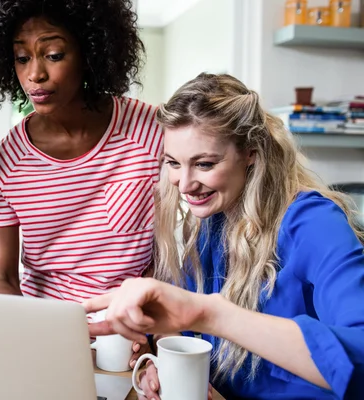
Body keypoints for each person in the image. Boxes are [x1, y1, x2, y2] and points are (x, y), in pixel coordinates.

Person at [85, 73, 364, 399]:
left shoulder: (313, 223)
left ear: (251, 153)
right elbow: (188, 334)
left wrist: (212, 314)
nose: (184, 184)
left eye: (204, 164)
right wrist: (163, 365)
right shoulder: (211, 224)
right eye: (173, 163)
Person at [0, 0, 162, 366]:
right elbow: (4, 278)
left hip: (134, 334)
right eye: (22, 58)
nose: (34, 75)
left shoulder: (151, 130)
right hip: (47, 336)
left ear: (90, 51)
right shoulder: (4, 162)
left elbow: (172, 252)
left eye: (53, 55)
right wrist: (27, 337)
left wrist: (151, 330)